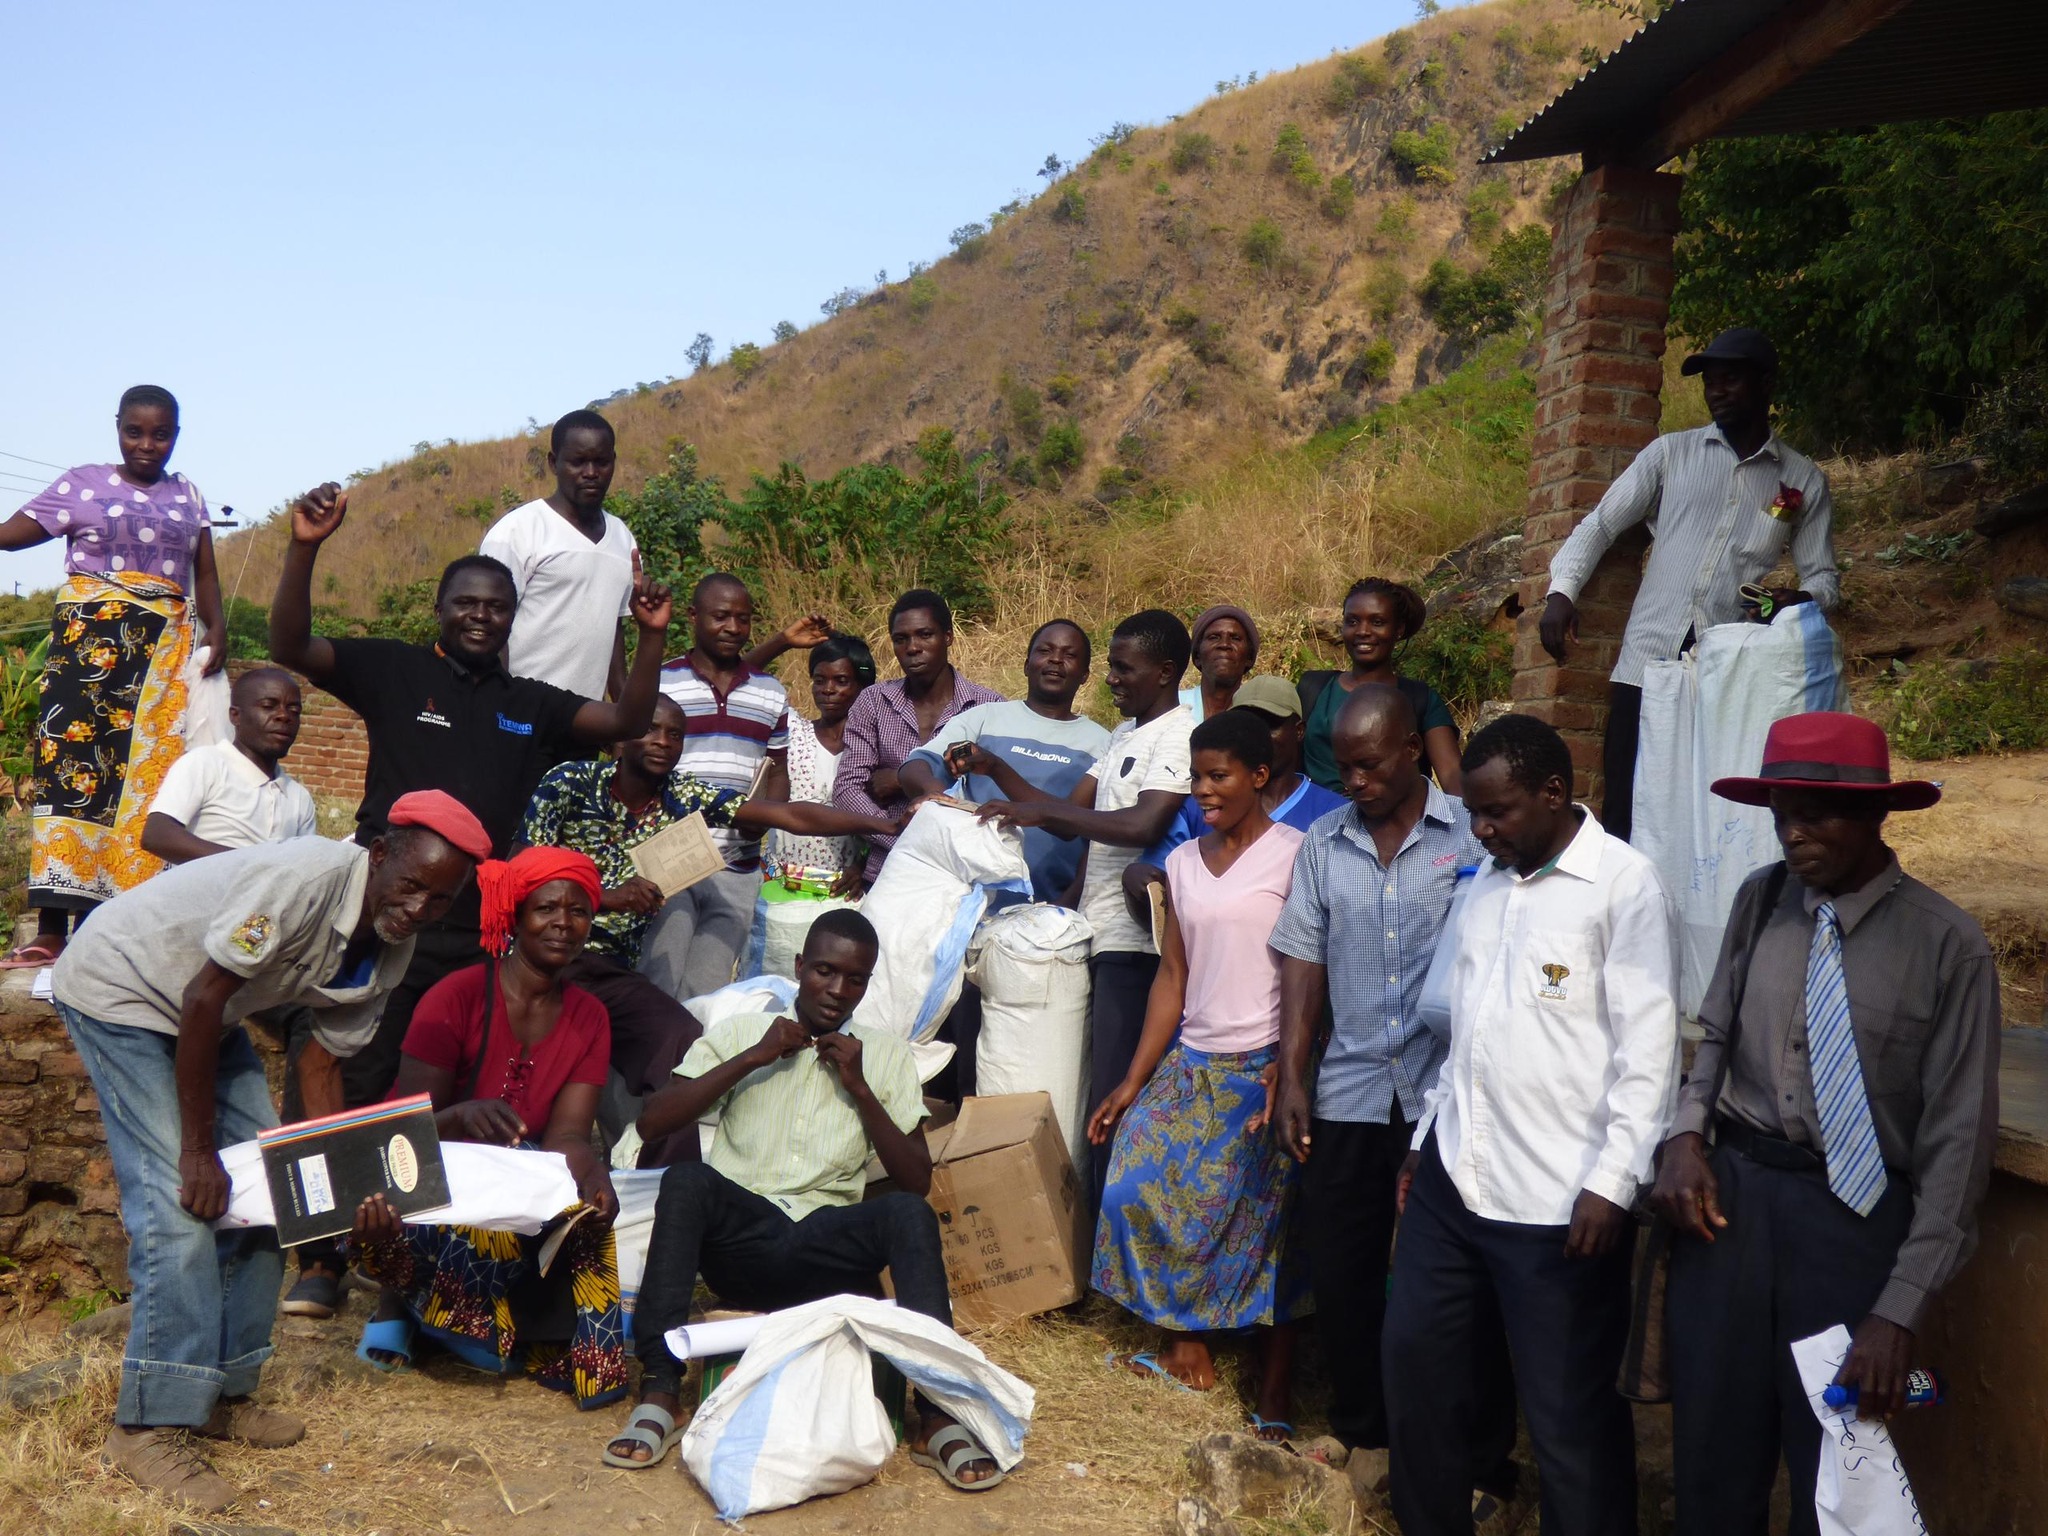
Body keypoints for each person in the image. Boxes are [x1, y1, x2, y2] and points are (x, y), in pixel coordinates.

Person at [267, 480, 671, 1315]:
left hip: (471, 927)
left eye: (497, 606)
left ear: (514, 618)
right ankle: (317, 1258)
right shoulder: (395, 672)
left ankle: (397, 1250)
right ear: (442, 610)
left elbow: (629, 720)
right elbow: (292, 643)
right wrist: (305, 546)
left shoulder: (531, 705)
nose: (482, 617)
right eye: (467, 603)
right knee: (339, 1063)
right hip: (380, 914)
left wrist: (650, 635)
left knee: (432, 1089)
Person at [47, 791, 487, 1512]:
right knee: (182, 1207)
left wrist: (341, 1186)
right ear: (378, 855)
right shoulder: (304, 881)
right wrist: (196, 1152)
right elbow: (201, 997)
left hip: (206, 1019)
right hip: (124, 990)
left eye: (438, 902)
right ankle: (148, 1424)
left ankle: (222, 1390)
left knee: (280, 1197)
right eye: (410, 886)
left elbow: (320, 1062)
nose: (417, 909)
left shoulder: (391, 945)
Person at [1651, 712, 2000, 1536]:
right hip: (1730, 1210)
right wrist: (1685, 1136)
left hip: (1852, 1225)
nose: (1794, 831)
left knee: (1840, 1466)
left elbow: (1958, 1147)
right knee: (1711, 1451)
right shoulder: (1762, 899)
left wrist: (1898, 1308)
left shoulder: (1949, 948)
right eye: (1780, 811)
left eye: (1817, 812)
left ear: (1879, 816)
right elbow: (1716, 1032)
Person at [1382, 714, 1680, 1536]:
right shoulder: (1485, 883)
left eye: (1498, 812)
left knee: (1568, 1419)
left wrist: (1615, 1184)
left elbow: (1649, 1054)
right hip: (1454, 1180)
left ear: (1555, 793)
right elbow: (1467, 1034)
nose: (1480, 830)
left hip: (1561, 1205)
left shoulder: (1624, 887)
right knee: (1418, 1371)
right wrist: (1422, 1144)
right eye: (1474, 814)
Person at [603, 910, 1006, 1491]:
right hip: (742, 1248)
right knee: (686, 1181)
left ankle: (937, 1414)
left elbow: (915, 1178)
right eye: (824, 971)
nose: (837, 991)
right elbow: (654, 1120)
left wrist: (861, 1088)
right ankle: (662, 1391)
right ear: (798, 968)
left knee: (907, 1212)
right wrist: (753, 1059)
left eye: (855, 979)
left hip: (825, 1252)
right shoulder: (745, 1035)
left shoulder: (884, 1056)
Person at [1267, 685, 1514, 1501]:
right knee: (1344, 1269)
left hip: (1449, 1098)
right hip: (1351, 1091)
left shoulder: (1469, 840)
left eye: (1370, 764)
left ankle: (1479, 1453)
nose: (1356, 782)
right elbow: (1303, 960)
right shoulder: (1324, 844)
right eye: (1344, 767)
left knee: (1457, 1282)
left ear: (1414, 748)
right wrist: (1294, 1076)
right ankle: (1364, 1426)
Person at [518, 694, 899, 1161]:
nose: (663, 742)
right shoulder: (570, 782)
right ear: (619, 739)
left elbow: (791, 815)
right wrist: (602, 897)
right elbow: (522, 869)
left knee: (679, 1034)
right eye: (651, 729)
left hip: (609, 971)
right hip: (539, 963)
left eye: (675, 734)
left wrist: (885, 822)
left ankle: (663, 1177)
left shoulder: (680, 795)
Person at [1090, 711, 1310, 1441]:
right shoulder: (1182, 864)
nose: (1203, 792)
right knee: (1131, 1181)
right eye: (1196, 778)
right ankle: (1183, 1332)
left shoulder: (1296, 856)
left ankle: (1240, 1364)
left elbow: (1314, 976)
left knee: (1239, 1204)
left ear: (1257, 776)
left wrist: (1289, 1065)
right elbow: (1173, 979)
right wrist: (1132, 1081)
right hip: (1193, 1060)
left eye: (1218, 777)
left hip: (1263, 1067)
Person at [351, 847, 629, 1410]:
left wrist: (593, 1175)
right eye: (546, 908)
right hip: (423, 1177)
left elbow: (568, 1138)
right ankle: (400, 1307)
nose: (563, 923)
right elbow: (396, 1131)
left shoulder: (589, 1017)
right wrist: (459, 1116)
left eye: (578, 912)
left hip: (512, 1183)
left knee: (588, 1217)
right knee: (469, 1221)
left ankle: (590, 1363)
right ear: (515, 916)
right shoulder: (454, 997)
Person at [1540, 327, 1838, 842]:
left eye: (1731, 380)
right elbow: (1602, 524)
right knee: (1625, 813)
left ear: (1765, 384)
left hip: (1725, 673)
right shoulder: (1670, 455)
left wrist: (1801, 599)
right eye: (1710, 382)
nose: (1716, 391)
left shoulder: (1802, 480)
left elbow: (1824, 578)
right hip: (1645, 665)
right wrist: (1561, 591)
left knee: (1703, 816)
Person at [0, 385, 227, 969]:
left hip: (161, 659)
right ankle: (52, 926)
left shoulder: (189, 495)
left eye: (161, 433)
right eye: (135, 431)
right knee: (71, 773)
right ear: (117, 428)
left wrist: (217, 631)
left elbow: (205, 570)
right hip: (88, 651)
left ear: (177, 433)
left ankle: (116, 922)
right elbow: (9, 535)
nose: (148, 444)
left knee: (142, 783)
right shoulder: (83, 484)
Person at [976, 609, 1193, 1209]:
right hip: (1094, 935)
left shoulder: (1178, 736)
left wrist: (1044, 814)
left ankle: (1110, 1251)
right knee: (1085, 1088)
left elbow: (1142, 822)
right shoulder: (1125, 735)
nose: (1112, 680)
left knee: (1115, 1095)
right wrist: (997, 773)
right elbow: (1071, 818)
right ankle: (1087, 1240)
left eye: (1125, 669)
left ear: (1166, 672)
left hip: (1135, 946)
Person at [642, 572, 803, 1000]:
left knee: (704, 995)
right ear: (694, 617)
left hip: (739, 865)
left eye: (743, 618)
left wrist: (765, 818)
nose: (733, 627)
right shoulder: (663, 681)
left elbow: (779, 768)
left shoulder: (770, 692)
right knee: (655, 986)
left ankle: (688, 1069)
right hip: (672, 859)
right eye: (720, 616)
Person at [902, 618, 1108, 901]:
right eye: (1045, 651)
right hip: (962, 897)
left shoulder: (1103, 743)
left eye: (1069, 655)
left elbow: (1098, 837)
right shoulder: (984, 718)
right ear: (1026, 665)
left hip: (1048, 908)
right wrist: (932, 793)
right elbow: (918, 764)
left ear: (1085, 675)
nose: (1056, 660)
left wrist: (1068, 904)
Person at [1125, 676, 1349, 902]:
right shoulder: (1197, 807)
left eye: (1270, 724)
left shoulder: (1334, 813)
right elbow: (1162, 897)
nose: (1256, 735)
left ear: (1299, 730)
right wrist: (1138, 881)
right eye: (1244, 724)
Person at [834, 588, 1004, 884]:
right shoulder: (873, 702)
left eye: (925, 635)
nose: (912, 647)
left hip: (959, 874)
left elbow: (992, 791)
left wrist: (900, 780)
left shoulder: (988, 708)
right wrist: (897, 833)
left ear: (948, 637)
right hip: (885, 870)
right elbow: (847, 789)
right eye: (901, 639)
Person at [479, 409, 638, 699]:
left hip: (584, 723)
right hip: (519, 718)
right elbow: (488, 626)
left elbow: (612, 631)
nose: (591, 473)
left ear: (613, 463)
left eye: (601, 462)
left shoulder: (622, 539)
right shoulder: (518, 531)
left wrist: (621, 717)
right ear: (554, 463)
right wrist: (498, 708)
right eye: (578, 462)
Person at [1300, 579, 1461, 795]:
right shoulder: (1313, 689)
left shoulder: (1420, 699)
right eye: (1353, 621)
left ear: (1398, 630)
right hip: (1313, 824)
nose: (1363, 631)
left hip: (1393, 825)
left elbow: (1452, 776)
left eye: (1377, 622)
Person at [142, 667, 317, 863]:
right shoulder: (204, 764)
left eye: (294, 711)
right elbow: (156, 836)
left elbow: (303, 867)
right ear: (235, 716)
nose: (284, 716)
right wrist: (253, 864)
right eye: (268, 706)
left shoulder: (299, 798)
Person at [764, 631, 877, 890]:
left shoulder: (873, 751)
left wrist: (863, 867)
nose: (828, 689)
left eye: (841, 681)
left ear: (863, 686)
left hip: (843, 893)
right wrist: (783, 641)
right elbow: (741, 678)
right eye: (819, 680)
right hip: (779, 890)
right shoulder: (791, 732)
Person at [1178, 604, 1257, 722]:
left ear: (1249, 658)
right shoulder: (1173, 707)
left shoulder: (1256, 716)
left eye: (1235, 638)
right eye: (1214, 637)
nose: (1224, 644)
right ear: (1197, 655)